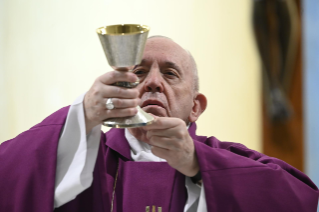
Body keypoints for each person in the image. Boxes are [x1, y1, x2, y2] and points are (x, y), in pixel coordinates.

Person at [0, 36, 318, 212]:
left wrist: (196, 163)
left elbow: (300, 200)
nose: (152, 83)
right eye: (138, 72)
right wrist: (83, 114)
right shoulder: (81, 159)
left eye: (169, 73)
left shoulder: (228, 160)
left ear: (195, 106)